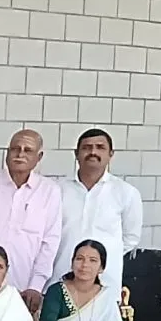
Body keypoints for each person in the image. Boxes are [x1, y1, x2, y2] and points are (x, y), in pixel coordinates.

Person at [0, 129, 62, 315]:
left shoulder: (49, 191)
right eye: (15, 149)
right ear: (7, 153)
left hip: (24, 290)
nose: (20, 154)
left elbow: (50, 242)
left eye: (27, 150)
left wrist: (36, 286)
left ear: (39, 157)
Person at [51, 129, 142, 305]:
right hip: (60, 278)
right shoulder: (57, 189)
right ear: (76, 154)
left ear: (111, 154)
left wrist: (98, 259)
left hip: (105, 283)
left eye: (100, 147)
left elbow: (130, 238)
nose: (93, 152)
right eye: (87, 147)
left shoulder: (126, 192)